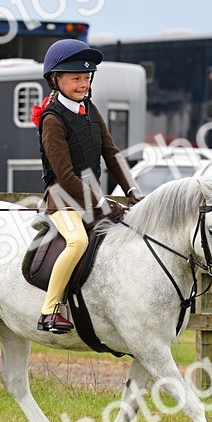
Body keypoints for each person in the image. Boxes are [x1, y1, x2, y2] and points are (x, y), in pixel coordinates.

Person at [32, 39, 142, 333]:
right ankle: (49, 310)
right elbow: (66, 175)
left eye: (87, 77)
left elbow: (112, 153)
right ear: (56, 80)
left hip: (89, 197)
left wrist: (133, 192)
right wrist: (103, 203)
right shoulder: (52, 118)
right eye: (76, 78)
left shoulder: (90, 109)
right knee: (77, 241)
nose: (83, 84)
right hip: (62, 199)